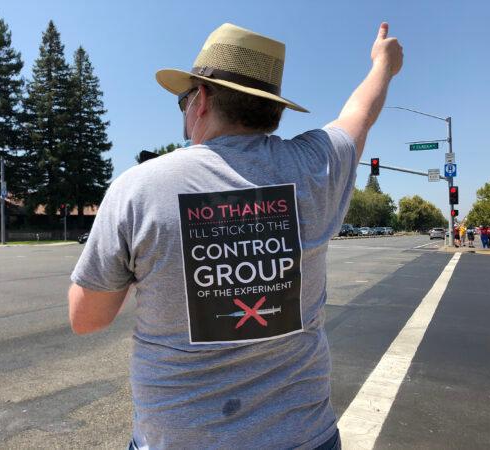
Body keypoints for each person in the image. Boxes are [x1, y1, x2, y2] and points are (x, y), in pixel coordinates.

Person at [68, 22, 403, 450]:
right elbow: (360, 113)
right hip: (304, 438)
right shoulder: (315, 168)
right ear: (272, 110)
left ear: (202, 100)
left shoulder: (138, 188)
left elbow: (87, 318)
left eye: (183, 99)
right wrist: (383, 64)